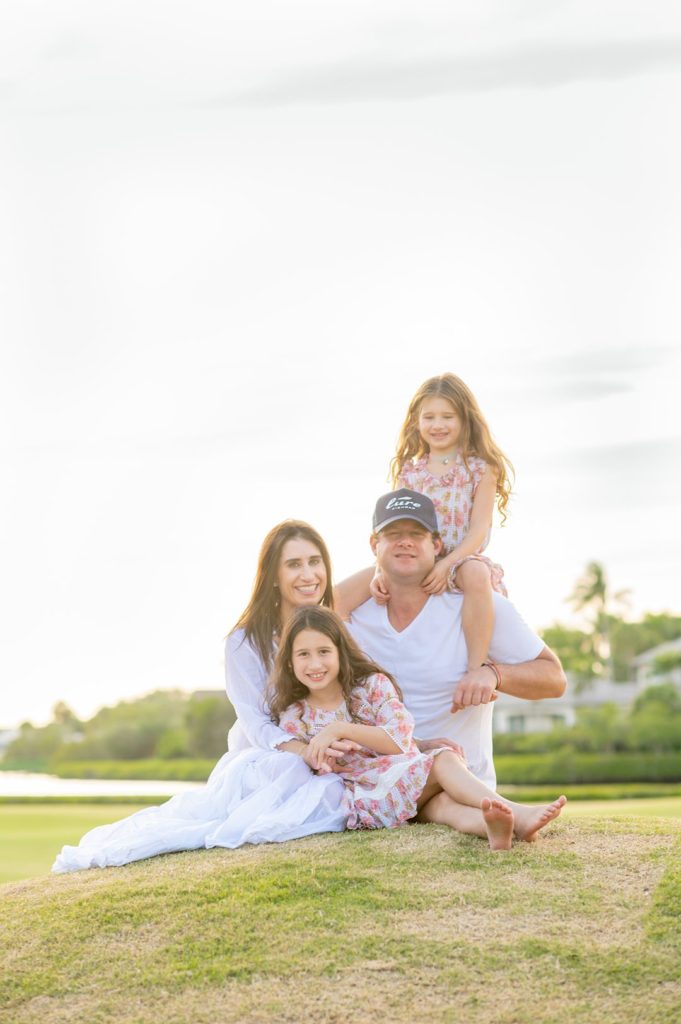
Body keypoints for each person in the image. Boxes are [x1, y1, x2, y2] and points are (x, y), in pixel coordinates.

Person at [52, 522, 350, 872]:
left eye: (315, 561)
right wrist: (304, 751)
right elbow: (255, 723)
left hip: (325, 748)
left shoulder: (337, 631)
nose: (308, 574)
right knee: (290, 770)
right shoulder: (244, 642)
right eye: (294, 564)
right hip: (265, 757)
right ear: (272, 575)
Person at [270, 605, 566, 849]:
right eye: (303, 654)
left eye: (323, 651)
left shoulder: (371, 686)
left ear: (340, 652)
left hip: (405, 787)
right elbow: (301, 767)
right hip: (367, 800)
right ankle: (521, 814)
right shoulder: (294, 717)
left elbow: (399, 740)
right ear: (289, 662)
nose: (315, 663)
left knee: (444, 807)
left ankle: (498, 830)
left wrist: (340, 729)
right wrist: (321, 753)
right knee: (443, 760)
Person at [337, 488, 567, 790]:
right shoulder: (353, 615)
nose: (405, 541)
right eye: (393, 533)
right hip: (376, 784)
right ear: (373, 544)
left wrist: (493, 674)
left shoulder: (478, 607)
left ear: (437, 545)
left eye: (416, 534)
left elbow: (554, 679)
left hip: (460, 785)